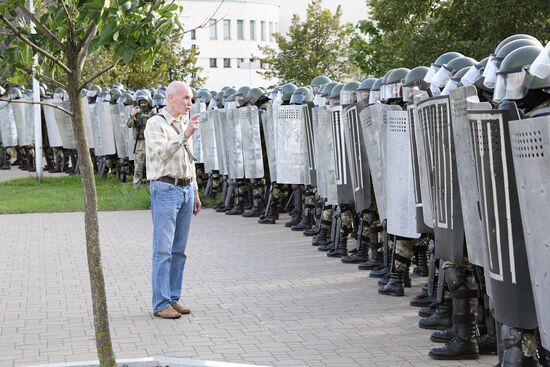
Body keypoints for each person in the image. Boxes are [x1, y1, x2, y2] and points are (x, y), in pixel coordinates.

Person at [144, 81, 202, 319]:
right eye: (186, 98)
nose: (190, 103)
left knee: (179, 250)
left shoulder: (182, 124)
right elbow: (162, 153)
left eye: (190, 99)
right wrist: (184, 134)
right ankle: (160, 304)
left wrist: (195, 191)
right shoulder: (155, 124)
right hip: (166, 189)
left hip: (185, 189)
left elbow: (189, 161)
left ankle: (173, 298)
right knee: (163, 250)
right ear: (171, 98)